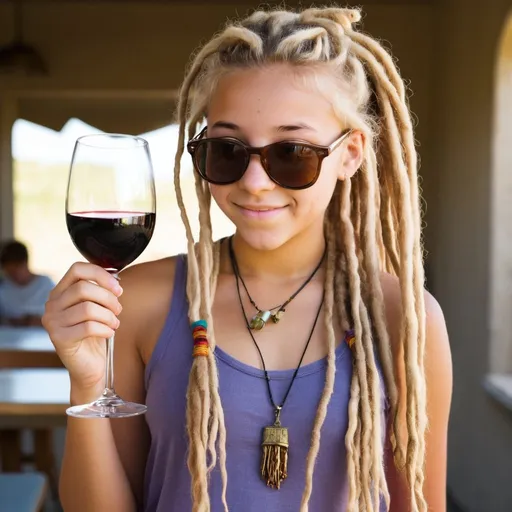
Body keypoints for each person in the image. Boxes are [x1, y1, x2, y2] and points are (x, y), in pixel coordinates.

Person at [42, 6, 452, 512]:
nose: (255, 183)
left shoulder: (403, 320)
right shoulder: (139, 303)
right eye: (228, 150)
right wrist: (85, 381)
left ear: (350, 154)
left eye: (292, 153)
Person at [0, 240, 54, 327]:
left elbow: (59, 318)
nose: (14, 276)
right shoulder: (3, 288)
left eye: (16, 270)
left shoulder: (46, 285)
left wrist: (36, 321)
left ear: (25, 263)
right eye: (9, 272)